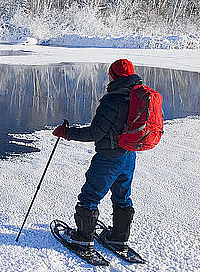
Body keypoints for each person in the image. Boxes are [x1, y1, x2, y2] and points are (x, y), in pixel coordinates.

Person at [51, 59, 142, 252]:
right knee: (122, 196)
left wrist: (67, 133)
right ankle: (118, 238)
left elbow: (95, 133)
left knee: (90, 196)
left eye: (110, 74)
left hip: (109, 157)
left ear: (114, 75)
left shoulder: (113, 100)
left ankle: (83, 239)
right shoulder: (138, 96)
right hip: (129, 155)